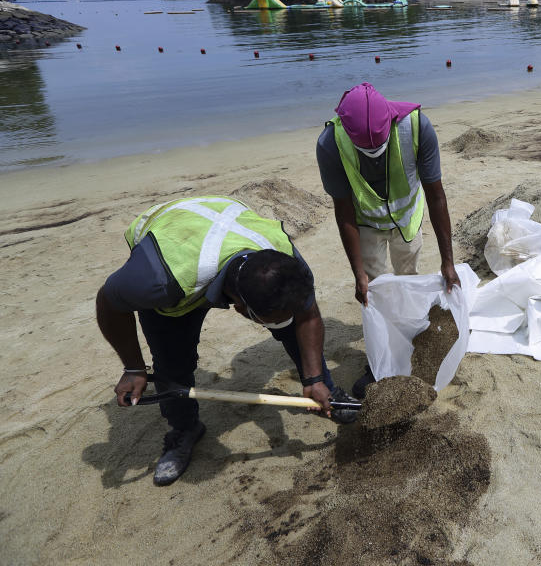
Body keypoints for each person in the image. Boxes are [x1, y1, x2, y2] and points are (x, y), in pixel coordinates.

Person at [96, 195, 359, 486]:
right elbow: (108, 301)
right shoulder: (157, 282)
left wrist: (314, 378)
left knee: (291, 323)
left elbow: (307, 316)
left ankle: (325, 391)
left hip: (222, 223)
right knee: (173, 364)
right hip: (173, 243)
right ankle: (184, 430)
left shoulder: (284, 261)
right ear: (241, 310)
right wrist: (133, 367)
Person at [315, 82, 460, 397]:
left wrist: (448, 261)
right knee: (376, 291)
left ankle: (409, 341)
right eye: (365, 151)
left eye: (377, 148)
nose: (373, 155)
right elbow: (344, 212)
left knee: (407, 281)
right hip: (364, 225)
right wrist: (359, 274)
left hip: (407, 219)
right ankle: (380, 358)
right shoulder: (330, 145)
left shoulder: (417, 127)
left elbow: (436, 195)